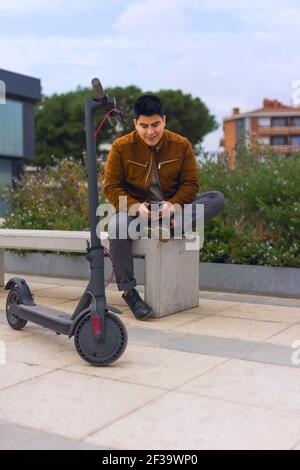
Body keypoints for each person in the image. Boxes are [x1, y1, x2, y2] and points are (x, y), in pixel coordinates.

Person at [103, 95, 224, 320]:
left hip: (172, 211)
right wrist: (136, 207)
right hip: (137, 212)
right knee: (116, 225)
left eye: (156, 125)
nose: (151, 132)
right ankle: (129, 292)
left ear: (164, 121)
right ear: (135, 124)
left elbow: (190, 185)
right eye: (144, 126)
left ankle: (172, 225)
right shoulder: (120, 147)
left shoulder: (181, 144)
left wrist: (174, 204)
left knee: (216, 198)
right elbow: (111, 187)